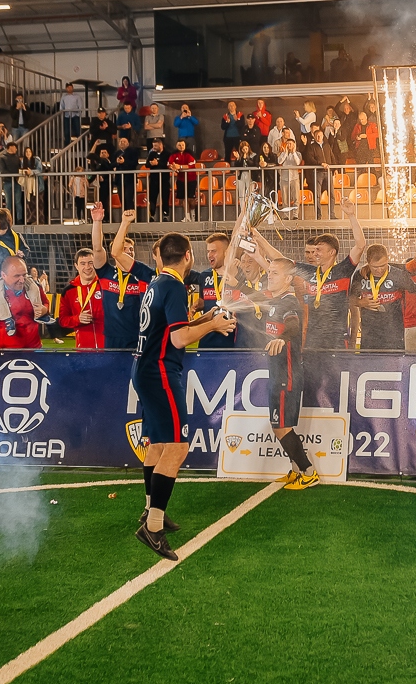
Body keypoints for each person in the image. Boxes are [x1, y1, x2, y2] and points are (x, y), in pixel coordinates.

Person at [131, 232, 239, 559]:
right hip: (161, 372)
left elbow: (172, 327)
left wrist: (207, 318)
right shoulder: (175, 286)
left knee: (158, 444)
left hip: (145, 369)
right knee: (177, 446)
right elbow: (179, 339)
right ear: (188, 255)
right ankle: (153, 527)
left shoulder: (156, 283)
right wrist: (213, 327)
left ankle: (150, 510)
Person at [228, 240, 317, 491]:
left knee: (280, 427)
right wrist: (238, 280)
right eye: (269, 272)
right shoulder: (273, 298)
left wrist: (282, 338)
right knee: (280, 425)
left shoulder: (288, 302)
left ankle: (309, 472)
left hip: (287, 374)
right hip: (278, 372)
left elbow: (293, 326)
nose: (270, 276)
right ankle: (296, 471)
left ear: (288, 279)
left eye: (275, 274)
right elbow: (253, 295)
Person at [249, 198, 366, 350]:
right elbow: (281, 260)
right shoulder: (310, 272)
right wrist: (257, 237)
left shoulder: (342, 270)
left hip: (336, 342)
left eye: (319, 250)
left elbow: (360, 246)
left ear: (332, 252)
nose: (314, 253)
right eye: (314, 250)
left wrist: (351, 215)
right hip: (311, 342)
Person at [92, 206, 157, 349]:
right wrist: (97, 222)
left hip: (139, 337)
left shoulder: (143, 274)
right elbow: (97, 248)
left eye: (131, 249)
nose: (128, 252)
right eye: (124, 249)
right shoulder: (106, 272)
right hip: (112, 338)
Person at [350, 243, 416, 351]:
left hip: (394, 337)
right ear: (367, 261)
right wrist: (360, 302)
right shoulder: (360, 275)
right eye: (375, 267)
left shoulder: (398, 275)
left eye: (383, 265)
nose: (379, 270)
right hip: (369, 336)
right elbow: (349, 299)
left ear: (388, 259)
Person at [0, 255, 50, 350]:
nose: (22, 280)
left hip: (34, 349)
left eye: (24, 275)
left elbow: (45, 303)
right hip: (4, 352)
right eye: (17, 276)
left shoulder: (35, 288)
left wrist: (44, 310)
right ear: (3, 275)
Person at [193, 233, 237, 349]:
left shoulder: (238, 276)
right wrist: (198, 305)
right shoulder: (204, 275)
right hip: (206, 341)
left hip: (231, 343)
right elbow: (205, 300)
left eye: (213, 251)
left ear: (226, 253)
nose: (209, 255)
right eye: (208, 251)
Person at [57, 247, 106, 348]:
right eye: (83, 264)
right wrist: (77, 319)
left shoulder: (105, 286)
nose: (87, 267)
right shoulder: (68, 291)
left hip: (108, 347)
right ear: (76, 266)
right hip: (83, 349)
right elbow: (62, 320)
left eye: (90, 263)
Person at [168, 138, 198, 222]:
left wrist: (180, 167)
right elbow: (170, 164)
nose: (181, 147)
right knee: (183, 199)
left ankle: (193, 216)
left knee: (191, 199)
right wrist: (173, 167)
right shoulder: (173, 155)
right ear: (176, 146)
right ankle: (187, 217)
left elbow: (191, 165)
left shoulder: (189, 154)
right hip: (181, 180)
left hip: (191, 179)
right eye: (179, 145)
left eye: (182, 145)